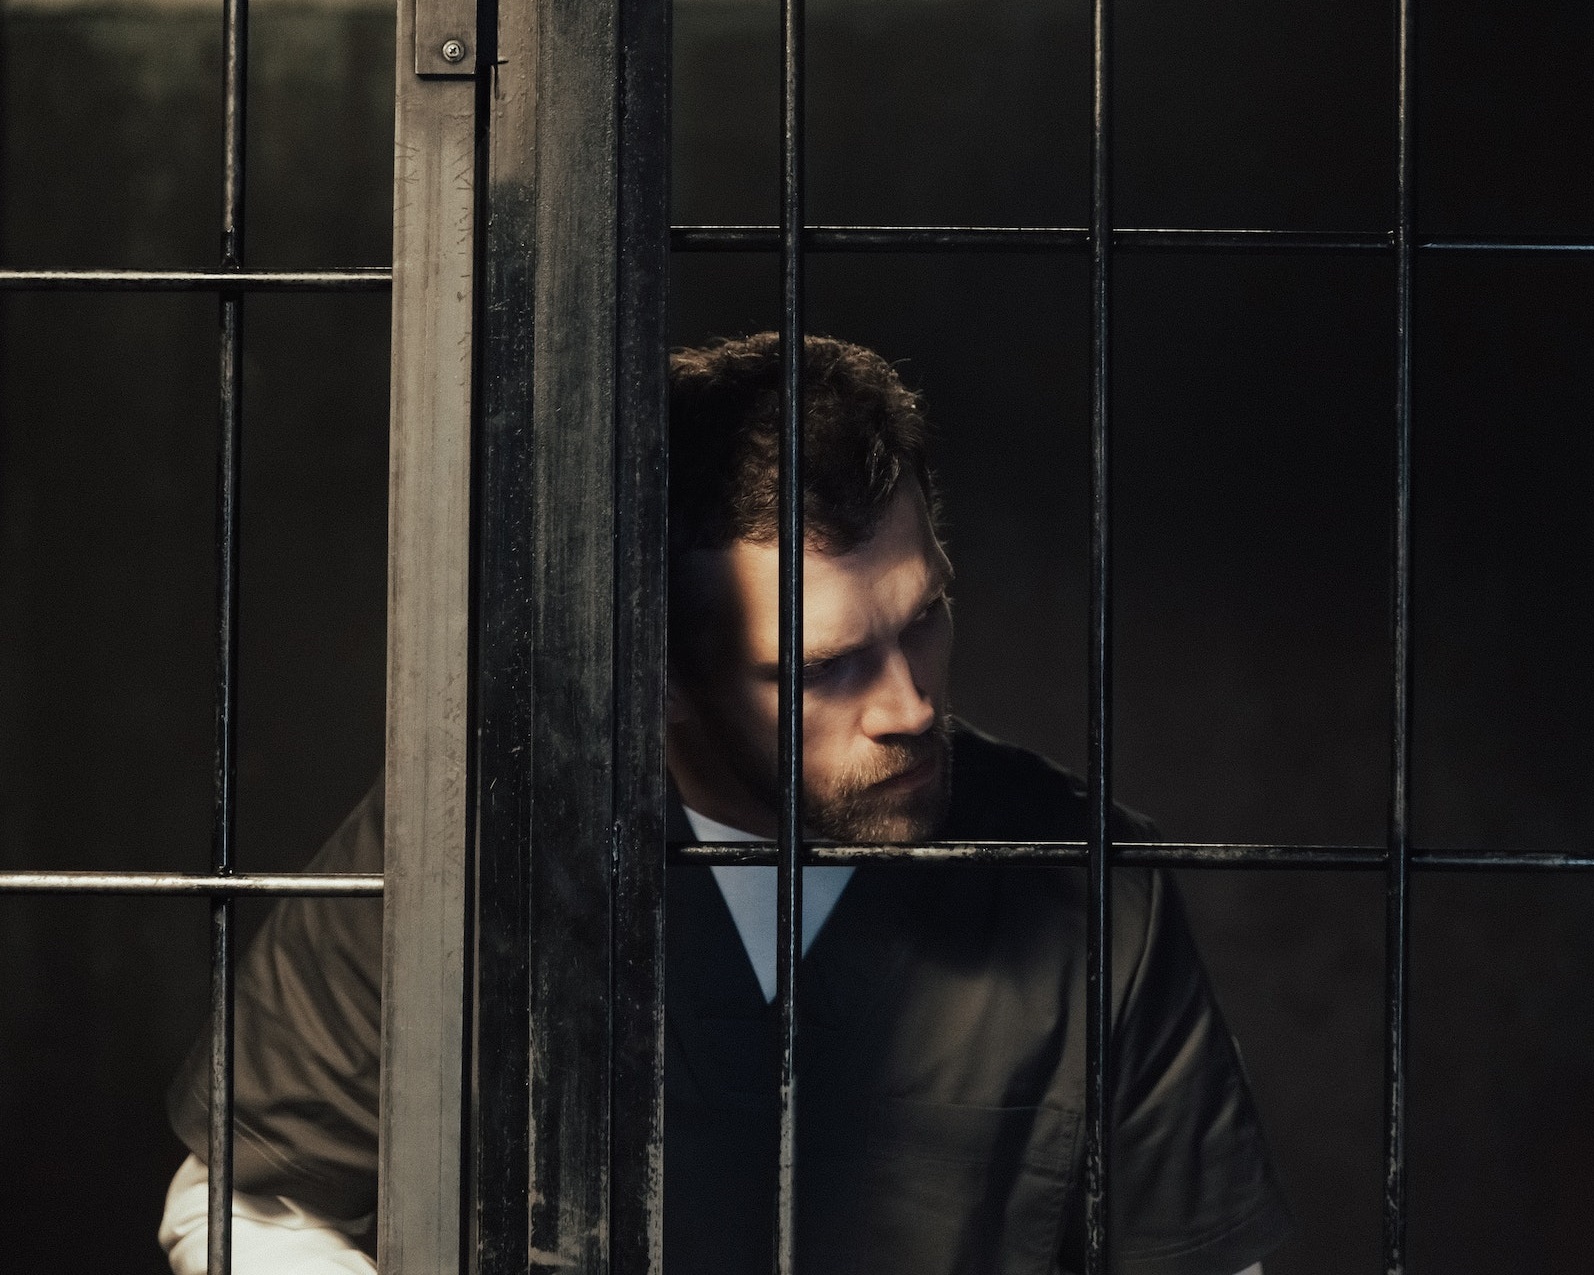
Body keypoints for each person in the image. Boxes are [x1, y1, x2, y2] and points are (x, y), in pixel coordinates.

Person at [160, 332, 1292, 1274]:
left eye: (925, 618)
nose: (906, 706)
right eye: (819, 667)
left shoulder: (1088, 884)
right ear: (652, 676)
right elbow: (246, 1206)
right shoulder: (481, 837)